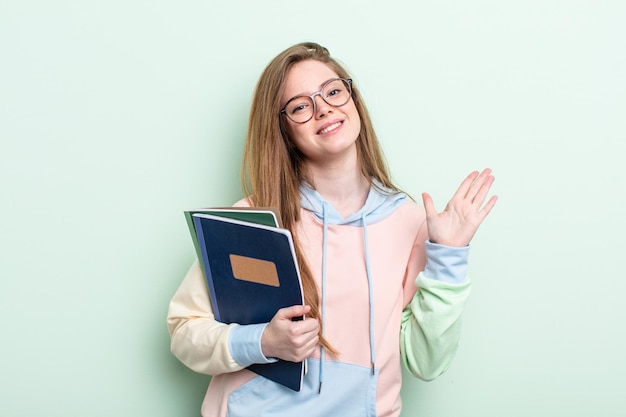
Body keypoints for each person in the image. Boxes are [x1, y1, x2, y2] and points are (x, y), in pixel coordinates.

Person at [167, 41, 497, 417]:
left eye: (334, 91)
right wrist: (262, 341)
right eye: (300, 106)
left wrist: (448, 258)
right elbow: (184, 332)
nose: (324, 108)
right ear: (283, 130)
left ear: (353, 100)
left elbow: (427, 363)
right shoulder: (252, 220)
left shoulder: (409, 222)